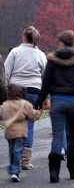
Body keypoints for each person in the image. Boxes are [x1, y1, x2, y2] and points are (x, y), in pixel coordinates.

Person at [35, 30, 74, 183]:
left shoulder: (52, 60)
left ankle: (54, 170)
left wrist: (39, 101)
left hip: (57, 102)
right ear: (73, 42)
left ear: (60, 42)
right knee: (73, 136)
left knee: (58, 135)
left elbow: (45, 83)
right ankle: (73, 170)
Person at [4, 25, 47, 170]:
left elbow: (6, 72)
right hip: (34, 91)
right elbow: (45, 76)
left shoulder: (15, 52)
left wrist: (5, 92)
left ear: (24, 37)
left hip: (16, 90)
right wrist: (44, 97)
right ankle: (25, 160)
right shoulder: (40, 54)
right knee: (29, 125)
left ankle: (14, 156)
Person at [0, 83, 42, 182]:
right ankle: (15, 171)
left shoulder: (5, 105)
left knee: (12, 151)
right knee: (18, 150)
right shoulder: (25, 104)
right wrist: (39, 112)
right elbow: (33, 116)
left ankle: (13, 167)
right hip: (21, 133)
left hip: (9, 133)